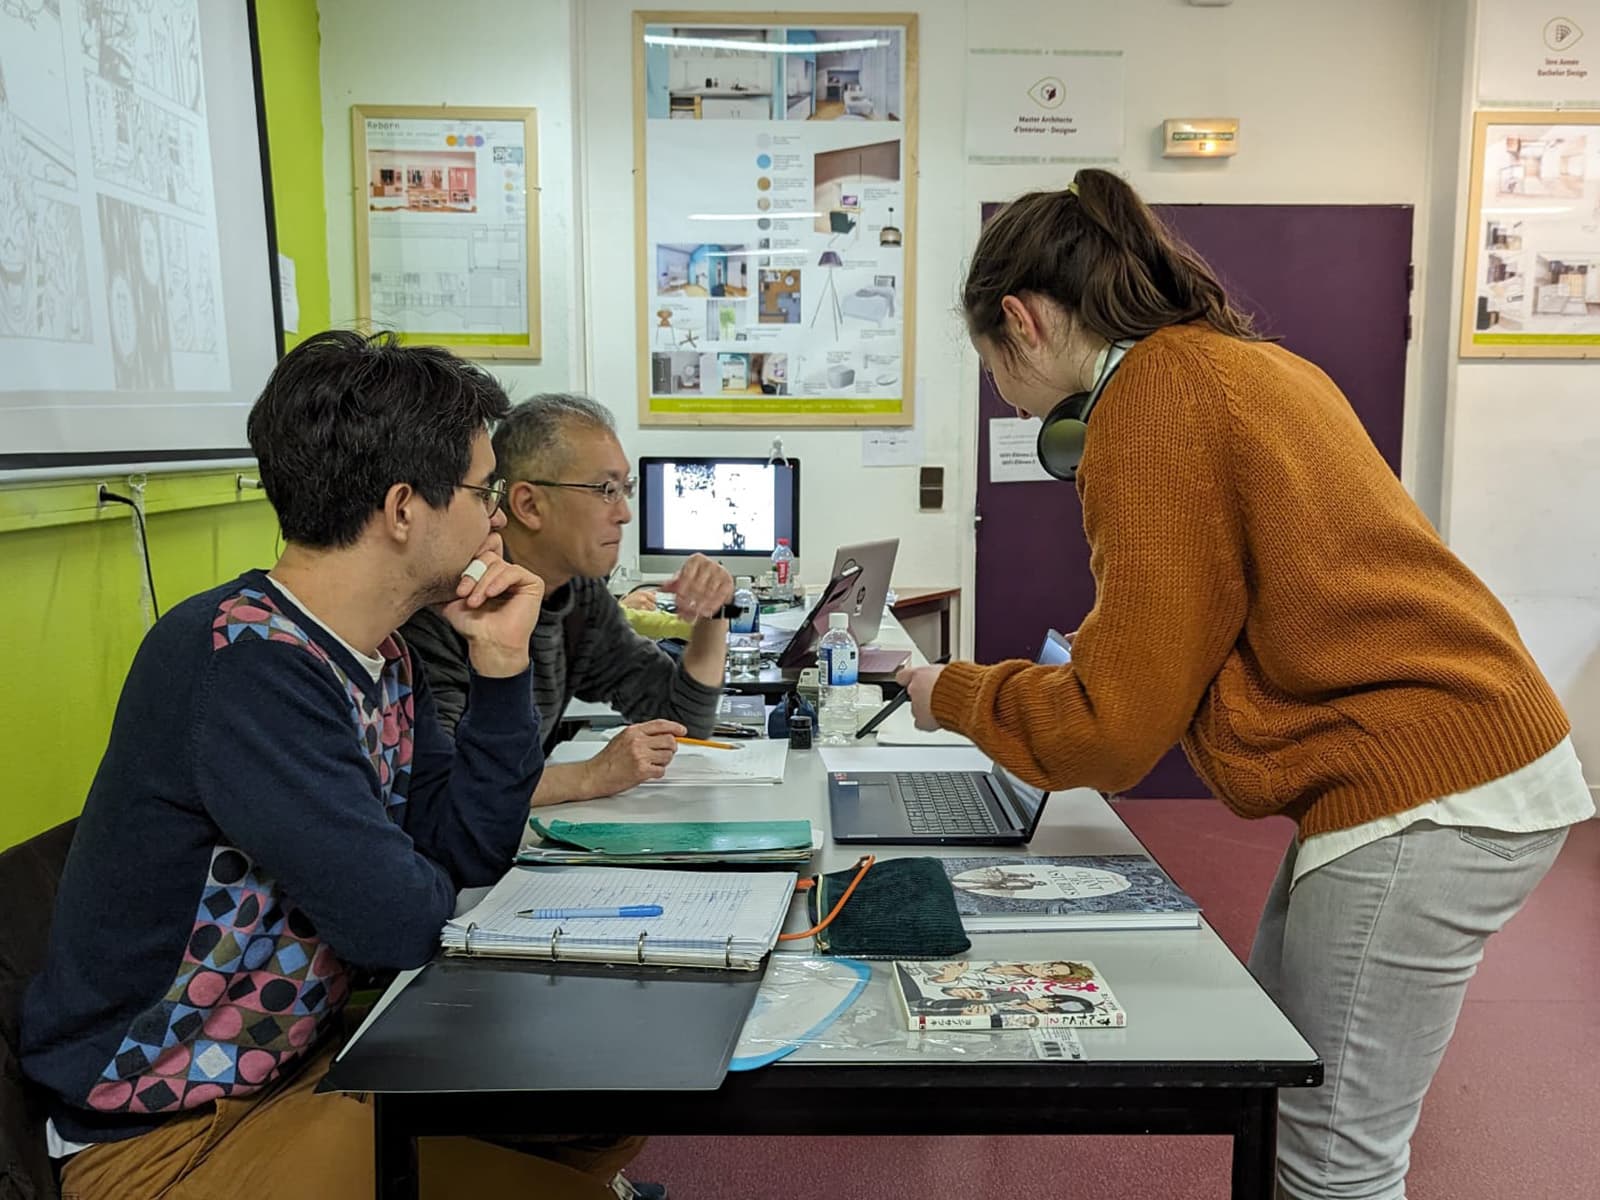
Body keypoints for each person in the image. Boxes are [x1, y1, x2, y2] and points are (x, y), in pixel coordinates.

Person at [898, 169, 1595, 1200]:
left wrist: (947, 694)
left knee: (1332, 1163)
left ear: (1020, 321)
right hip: (1449, 763)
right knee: (1276, 1088)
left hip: (1425, 787)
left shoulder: (1149, 401)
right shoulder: (1234, 363)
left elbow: (1111, 735)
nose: (1004, 394)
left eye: (992, 364)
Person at [21, 331, 636, 1199]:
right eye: (481, 491)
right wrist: (416, 876)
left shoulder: (383, 653)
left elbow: (464, 852)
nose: (497, 517)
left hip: (301, 1069)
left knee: (606, 1096)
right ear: (402, 509)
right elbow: (399, 924)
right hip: (165, 1139)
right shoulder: (243, 662)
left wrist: (501, 670)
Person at [403, 393, 735, 805]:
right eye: (606, 490)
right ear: (529, 505)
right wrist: (590, 775)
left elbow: (681, 722)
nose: (625, 513)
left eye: (626, 488)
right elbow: (445, 792)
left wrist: (714, 613)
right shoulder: (449, 606)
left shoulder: (577, 596)